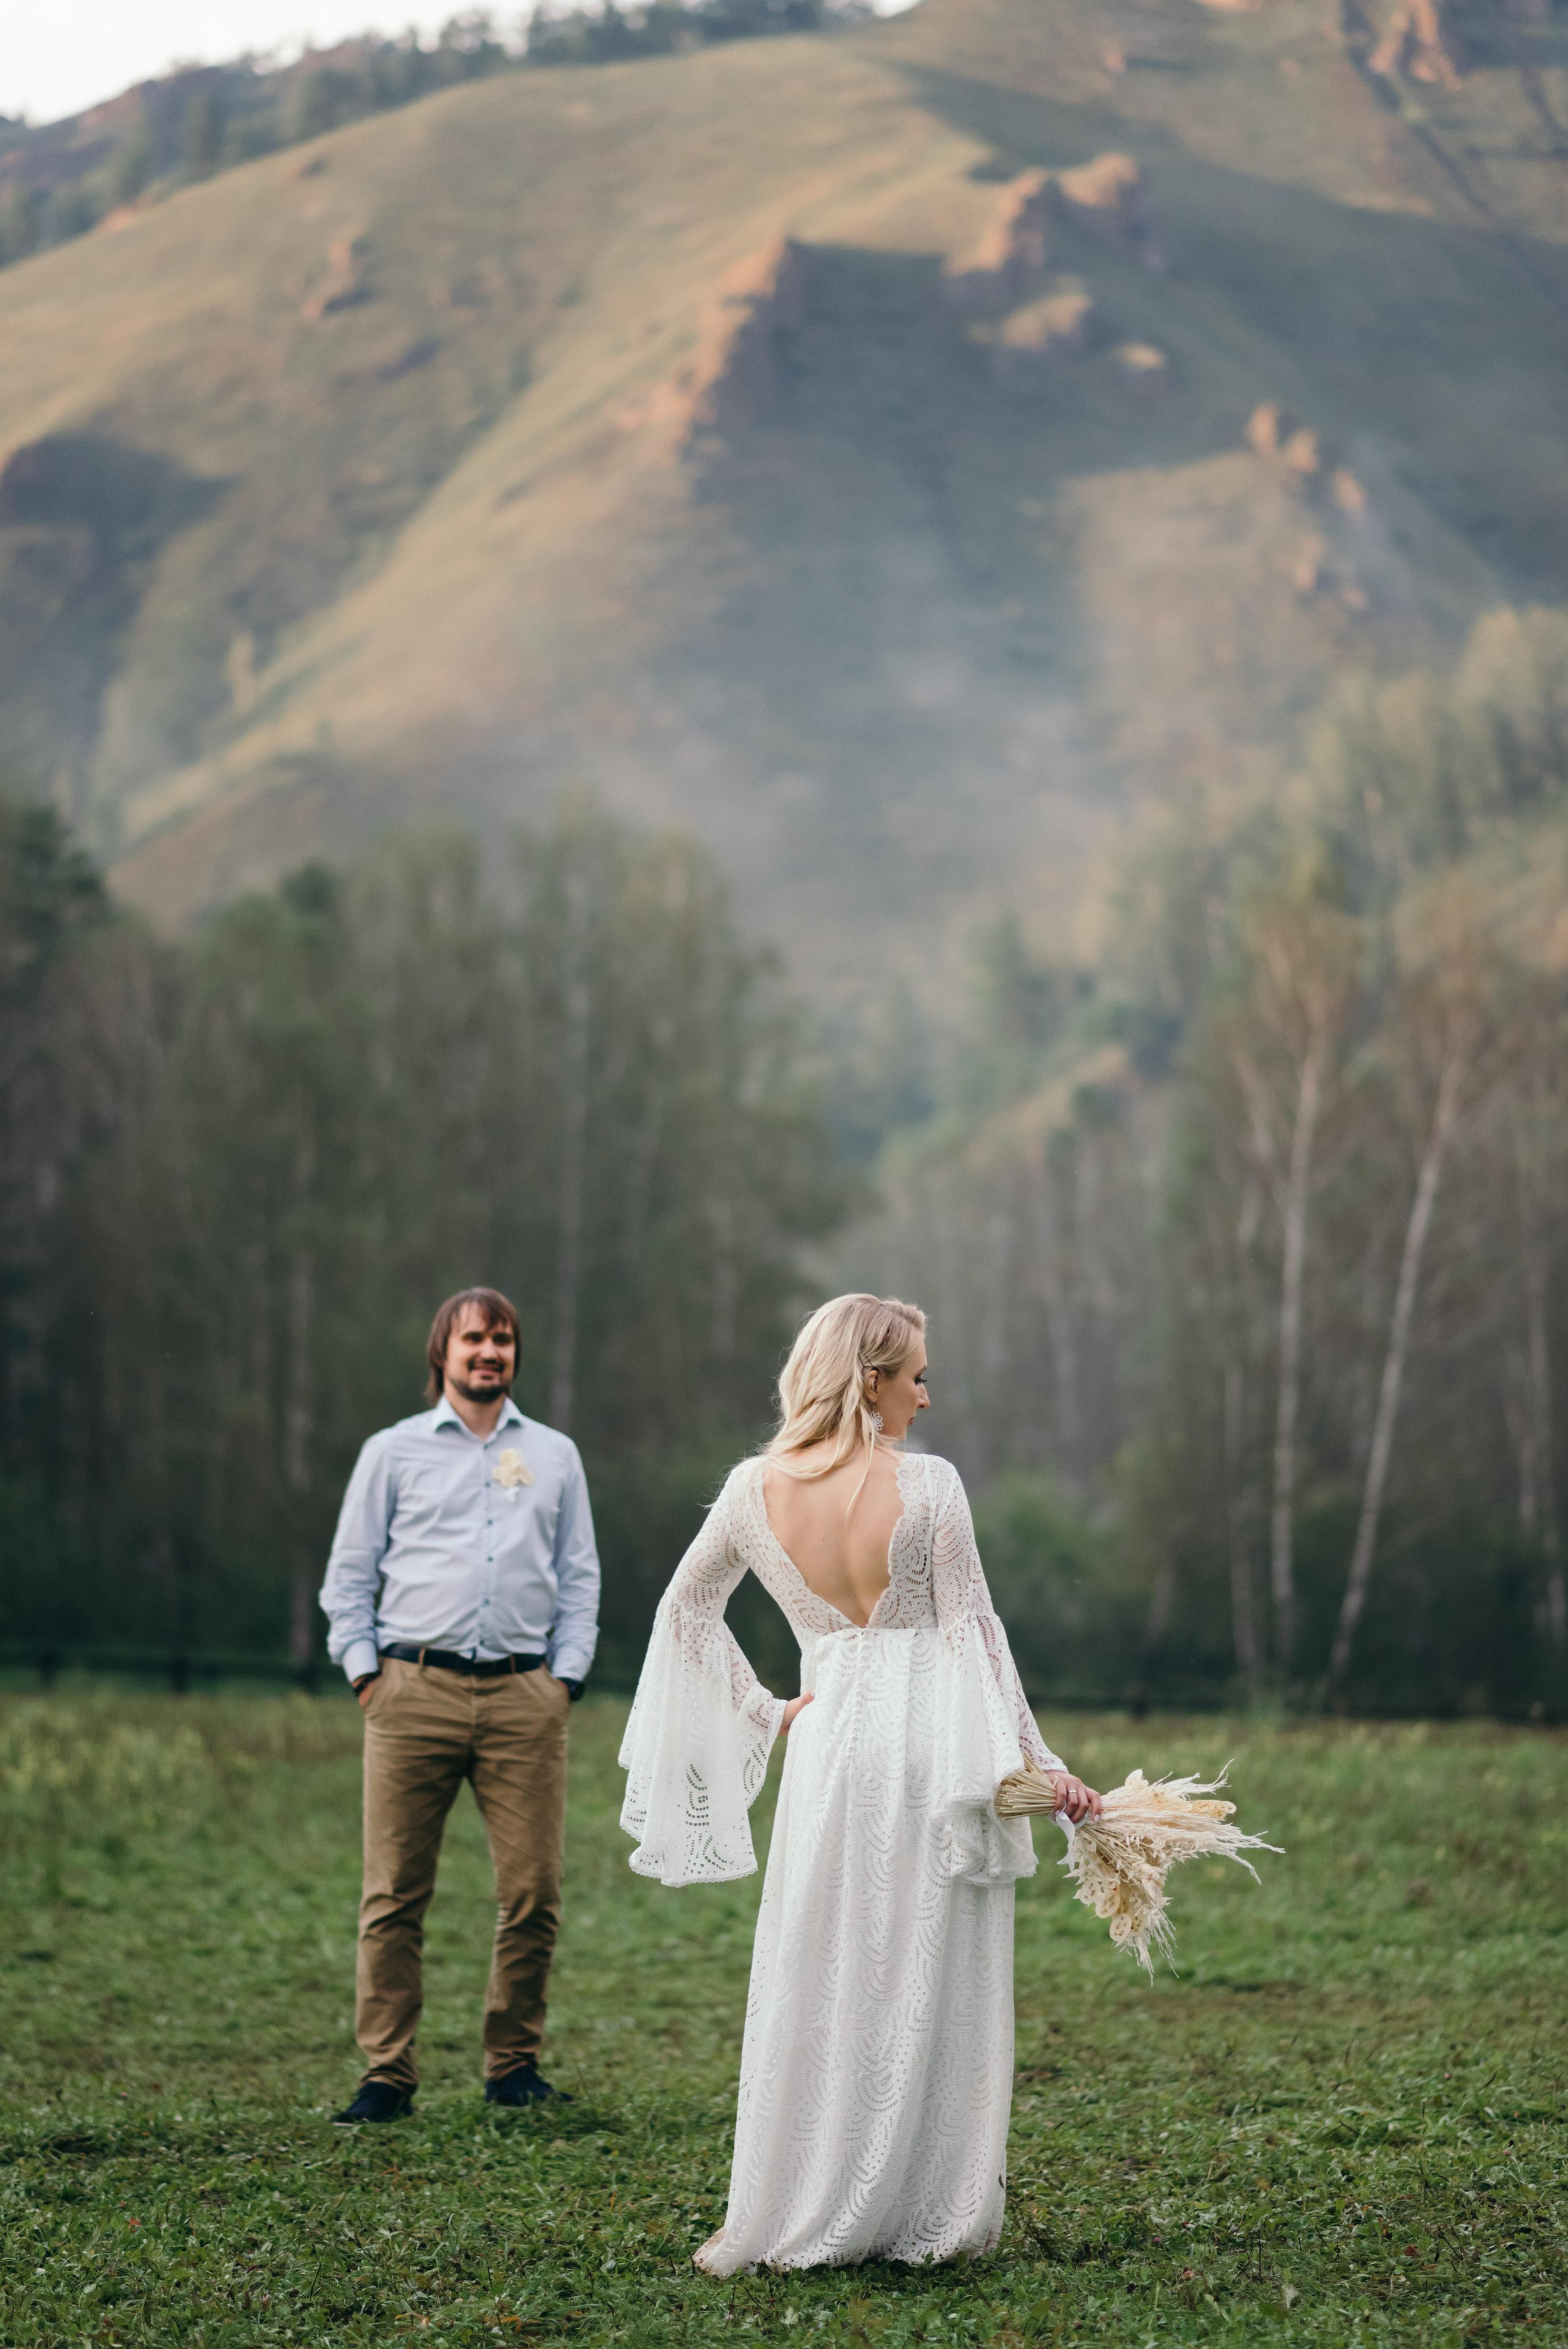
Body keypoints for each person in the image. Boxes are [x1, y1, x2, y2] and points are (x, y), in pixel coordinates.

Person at [619, 1293, 1101, 2273]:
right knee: (927, 1972)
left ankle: (803, 2199)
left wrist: (768, 1711)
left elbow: (683, 1614)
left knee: (824, 1968)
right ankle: (922, 2208)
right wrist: (1041, 1766)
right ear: (870, 1378)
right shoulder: (931, 1488)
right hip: (935, 1748)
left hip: (831, 1743)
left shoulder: (753, 1491)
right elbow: (976, 1634)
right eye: (916, 1374)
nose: (927, 1394)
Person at [319, 1287, 600, 2123]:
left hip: (525, 1696)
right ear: (442, 1351)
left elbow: (579, 1575)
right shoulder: (392, 1452)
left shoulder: (555, 1454)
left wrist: (565, 1679)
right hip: (412, 1693)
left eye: (504, 1339)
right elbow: (349, 1574)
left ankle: (512, 2063)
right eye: (474, 1338)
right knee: (395, 1893)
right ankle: (387, 2074)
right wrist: (368, 1674)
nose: (490, 1352)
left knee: (534, 1892)